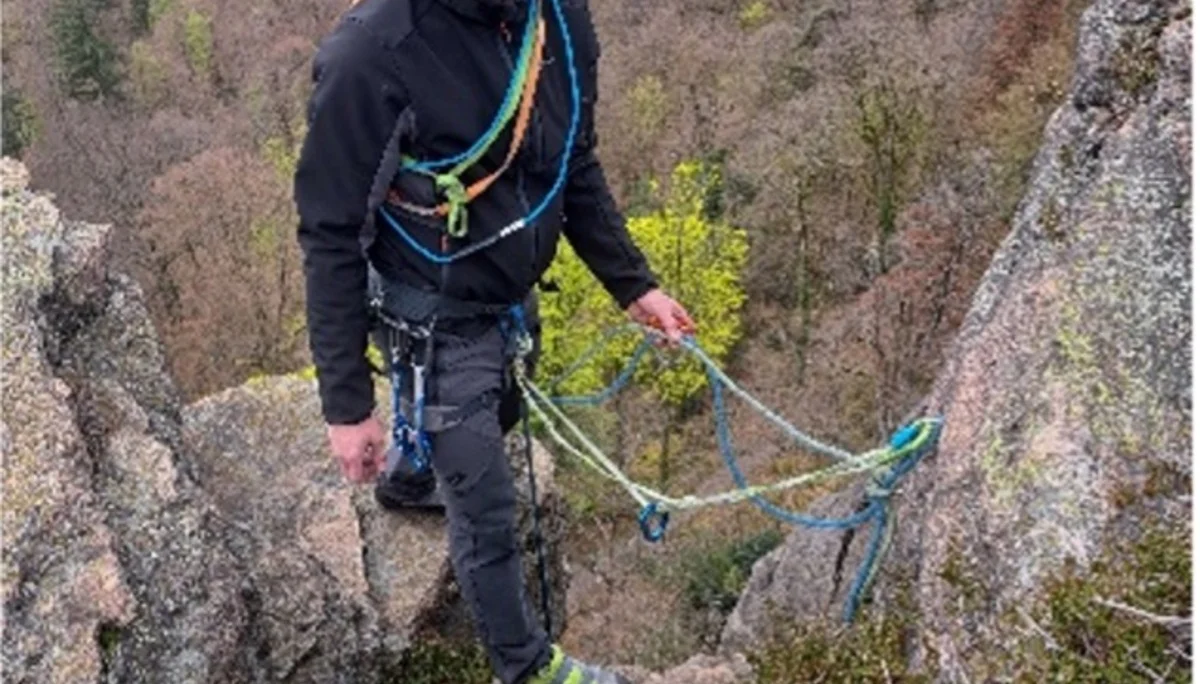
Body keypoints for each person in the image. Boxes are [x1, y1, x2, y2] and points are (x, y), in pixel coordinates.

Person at [293, 0, 694, 681]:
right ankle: (526, 667)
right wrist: (347, 404)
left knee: (497, 423)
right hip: (432, 322)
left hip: (506, 297)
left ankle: (417, 470)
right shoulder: (371, 54)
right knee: (489, 514)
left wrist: (633, 285)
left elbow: (573, 160)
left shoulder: (556, 19)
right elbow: (330, 230)